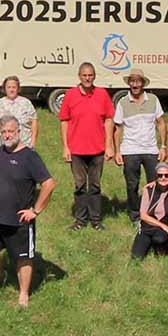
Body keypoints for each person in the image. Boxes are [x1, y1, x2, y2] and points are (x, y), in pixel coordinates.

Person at [0, 114, 56, 308]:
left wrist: (35, 211)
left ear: (19, 132)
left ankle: (23, 295)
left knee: (23, 259)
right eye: (4, 131)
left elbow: (48, 184)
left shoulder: (30, 157)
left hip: (19, 222)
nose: (7, 135)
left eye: (10, 131)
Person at [58, 62, 114, 231]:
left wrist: (109, 145)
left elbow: (109, 120)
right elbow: (64, 121)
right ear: (79, 76)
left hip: (97, 149)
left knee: (95, 186)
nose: (87, 78)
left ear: (94, 76)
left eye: (90, 75)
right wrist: (65, 147)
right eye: (84, 75)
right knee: (80, 185)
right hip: (76, 150)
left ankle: (96, 220)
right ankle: (80, 220)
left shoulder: (102, 94)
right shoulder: (70, 95)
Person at [113, 68, 166, 223]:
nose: (135, 84)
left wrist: (163, 146)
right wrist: (117, 152)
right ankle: (135, 215)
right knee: (132, 185)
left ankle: (153, 213)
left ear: (142, 83)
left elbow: (161, 123)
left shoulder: (153, 99)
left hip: (150, 149)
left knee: (155, 183)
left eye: (138, 81)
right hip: (130, 150)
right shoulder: (123, 102)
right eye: (132, 81)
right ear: (129, 83)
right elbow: (117, 129)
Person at [131, 162, 168, 260]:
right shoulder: (148, 190)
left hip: (164, 229)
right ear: (156, 177)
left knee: (159, 239)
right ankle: (148, 244)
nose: (163, 178)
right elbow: (143, 215)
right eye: (160, 175)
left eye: (166, 175)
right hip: (148, 227)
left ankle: (161, 246)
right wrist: (165, 227)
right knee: (136, 257)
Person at [0, 76, 38, 148]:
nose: (11, 90)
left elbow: (34, 121)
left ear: (18, 89)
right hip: (5, 146)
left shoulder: (26, 103)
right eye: (9, 87)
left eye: (14, 87)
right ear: (4, 89)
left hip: (25, 144)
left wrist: (33, 142)